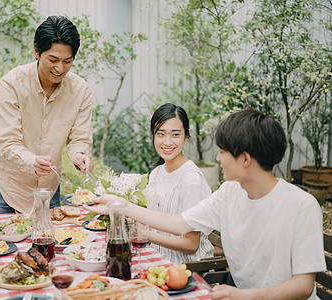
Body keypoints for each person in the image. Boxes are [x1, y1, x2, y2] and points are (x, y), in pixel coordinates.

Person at [86, 109, 326, 300]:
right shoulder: (229, 192)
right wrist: (119, 205)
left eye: (222, 151)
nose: (218, 158)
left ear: (245, 158)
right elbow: (181, 224)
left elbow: (303, 287)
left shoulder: (301, 206)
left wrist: (245, 296)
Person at [0, 15, 93, 215]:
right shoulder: (11, 84)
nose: (60, 68)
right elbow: (8, 142)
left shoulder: (80, 90)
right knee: (1, 245)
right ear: (36, 51)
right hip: (7, 187)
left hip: (48, 188)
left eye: (67, 61)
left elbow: (79, 139)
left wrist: (80, 155)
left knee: (48, 244)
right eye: (53, 60)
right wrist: (31, 161)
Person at [147, 103, 213, 264]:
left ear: (186, 137)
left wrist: (146, 235)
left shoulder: (191, 180)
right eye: (161, 134)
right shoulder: (156, 174)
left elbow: (192, 244)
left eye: (175, 135)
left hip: (187, 268)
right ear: (153, 136)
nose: (167, 142)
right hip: (157, 260)